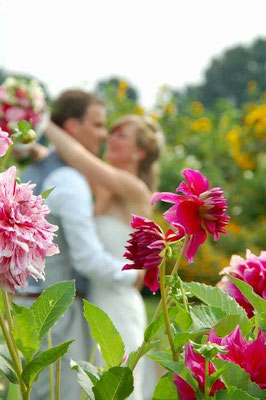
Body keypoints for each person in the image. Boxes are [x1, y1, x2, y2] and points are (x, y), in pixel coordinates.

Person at [19, 90, 142, 400]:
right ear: (73, 127)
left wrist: (36, 122)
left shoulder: (54, 174)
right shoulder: (72, 181)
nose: (105, 136)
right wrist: (134, 274)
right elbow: (87, 258)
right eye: (99, 125)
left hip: (78, 303)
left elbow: (71, 155)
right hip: (61, 311)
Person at [44, 113, 164, 400]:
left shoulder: (134, 189)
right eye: (111, 132)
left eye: (121, 135)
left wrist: (41, 118)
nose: (110, 138)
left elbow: (75, 155)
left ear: (140, 151)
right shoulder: (102, 187)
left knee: (114, 389)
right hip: (94, 305)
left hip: (118, 308)